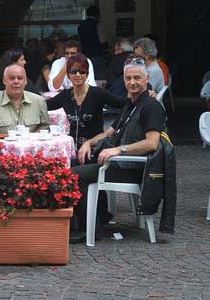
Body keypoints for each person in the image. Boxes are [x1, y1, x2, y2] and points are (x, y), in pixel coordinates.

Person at [71, 56, 167, 242]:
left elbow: (152, 143)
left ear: (147, 79)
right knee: (73, 161)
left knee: (75, 174)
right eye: (128, 78)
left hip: (132, 169)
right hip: (118, 164)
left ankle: (89, 227)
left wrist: (119, 150)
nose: (132, 82)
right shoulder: (131, 104)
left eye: (137, 78)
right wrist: (88, 143)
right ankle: (100, 216)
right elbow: (110, 132)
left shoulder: (151, 106)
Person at [46, 54, 127, 152]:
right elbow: (44, 106)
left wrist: (113, 128)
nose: (78, 75)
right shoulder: (65, 95)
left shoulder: (98, 93)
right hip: (72, 149)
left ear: (87, 74)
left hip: (94, 148)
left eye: (82, 71)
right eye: (73, 71)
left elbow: (124, 104)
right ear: (68, 74)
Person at [0, 64, 50, 143]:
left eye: (20, 78)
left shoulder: (38, 101)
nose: (16, 81)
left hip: (31, 150)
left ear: (26, 81)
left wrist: (30, 139)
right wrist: (4, 139)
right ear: (4, 80)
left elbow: (45, 126)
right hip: (1, 151)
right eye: (12, 78)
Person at [78, 5, 108, 80]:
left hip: (85, 54)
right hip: (97, 54)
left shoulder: (81, 26)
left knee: (87, 76)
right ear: (97, 14)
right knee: (99, 78)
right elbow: (103, 41)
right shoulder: (98, 24)